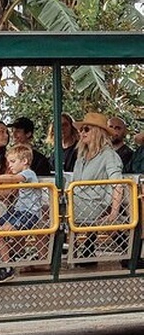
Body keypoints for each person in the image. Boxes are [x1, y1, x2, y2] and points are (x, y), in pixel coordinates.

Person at [0, 144, 40, 283]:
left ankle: (7, 264)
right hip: (17, 212)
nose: (10, 165)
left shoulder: (28, 174)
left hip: (28, 213)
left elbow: (14, 179)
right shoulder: (22, 175)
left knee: (1, 231)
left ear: (24, 161)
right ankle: (5, 259)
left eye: (13, 162)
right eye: (9, 162)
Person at [71, 113, 124, 263]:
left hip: (94, 204)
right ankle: (44, 258)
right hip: (76, 202)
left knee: (49, 208)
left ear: (97, 132)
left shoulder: (109, 155)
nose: (82, 133)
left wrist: (113, 213)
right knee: (46, 207)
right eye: (81, 130)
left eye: (86, 129)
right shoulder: (81, 157)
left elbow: (117, 183)